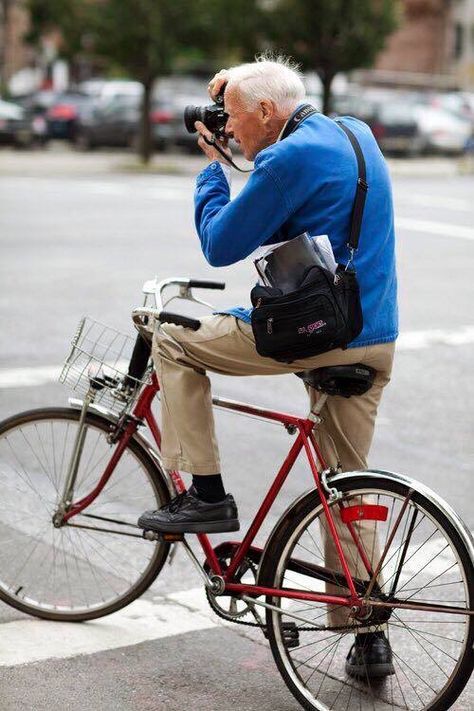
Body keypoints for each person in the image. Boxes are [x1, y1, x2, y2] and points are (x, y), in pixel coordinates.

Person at [138, 56, 398, 677]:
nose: (228, 129)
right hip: (375, 336)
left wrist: (211, 171)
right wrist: (240, 161)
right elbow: (287, 220)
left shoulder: (284, 159)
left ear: (263, 111)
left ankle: (202, 494)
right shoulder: (353, 133)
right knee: (349, 487)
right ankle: (367, 634)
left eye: (232, 117)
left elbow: (223, 243)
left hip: (316, 335)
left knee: (171, 336)